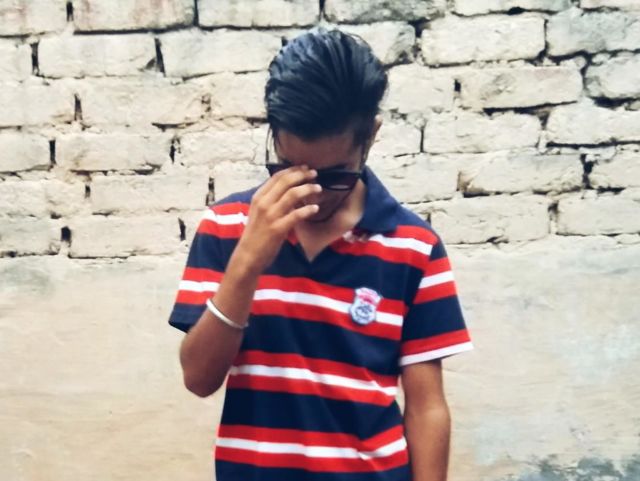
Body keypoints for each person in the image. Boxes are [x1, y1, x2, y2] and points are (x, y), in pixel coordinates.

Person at [167, 28, 473, 481]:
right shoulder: (226, 227)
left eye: (334, 176)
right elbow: (198, 379)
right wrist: (249, 260)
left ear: (370, 137)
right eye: (290, 169)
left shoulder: (414, 246)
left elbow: (427, 407)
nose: (312, 192)